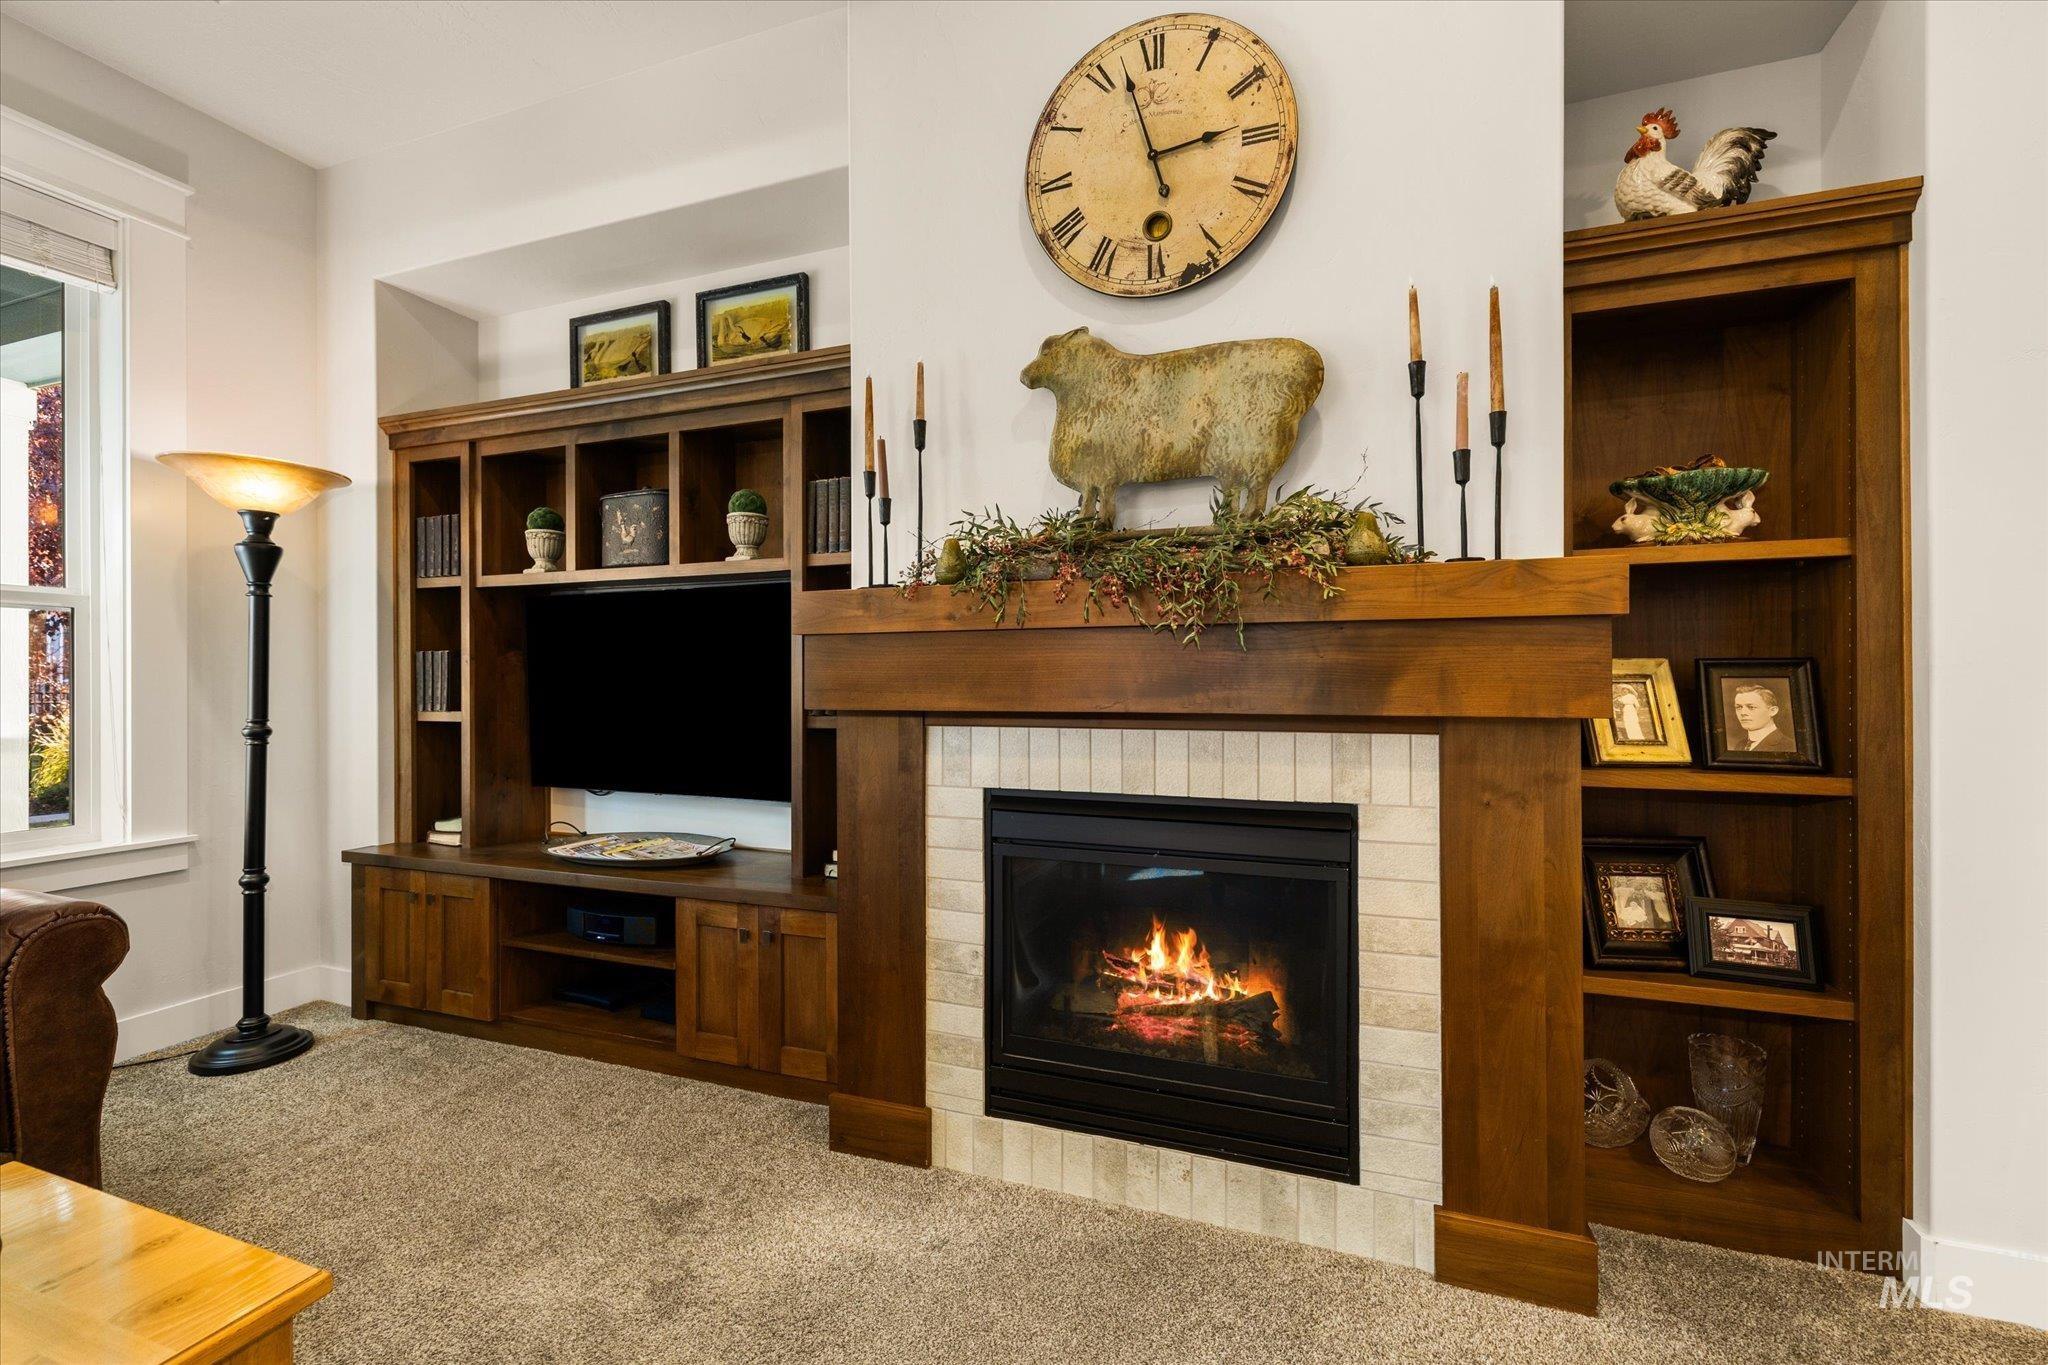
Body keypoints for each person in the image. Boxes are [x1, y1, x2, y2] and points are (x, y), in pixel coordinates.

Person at [1729, 682, 1795, 753]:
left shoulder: (1789, 747)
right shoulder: (1740, 745)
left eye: (1751, 707)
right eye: (1738, 707)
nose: (1743, 713)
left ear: (1772, 711)